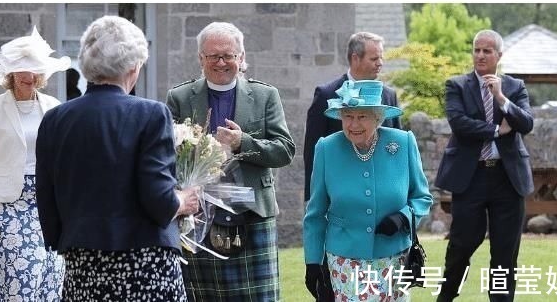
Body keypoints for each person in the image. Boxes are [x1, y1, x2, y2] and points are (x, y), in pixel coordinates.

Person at [35, 15, 200, 301]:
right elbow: (159, 199)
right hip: (144, 263)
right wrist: (184, 200)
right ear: (134, 67)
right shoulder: (151, 114)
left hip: (83, 262)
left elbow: (46, 199)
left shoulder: (54, 119)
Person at [166, 21, 295, 301]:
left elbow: (285, 150)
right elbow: (165, 156)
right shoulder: (179, 97)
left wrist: (241, 143)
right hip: (198, 216)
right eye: (213, 56)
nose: (221, 62)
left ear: (241, 57)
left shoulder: (265, 95)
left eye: (228, 55)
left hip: (252, 215)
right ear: (201, 58)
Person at [303, 79, 433, 301]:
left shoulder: (403, 143)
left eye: (361, 116)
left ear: (378, 118)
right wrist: (313, 263)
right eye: (348, 116)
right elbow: (315, 214)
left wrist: (403, 218)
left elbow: (422, 197)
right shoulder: (327, 148)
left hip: (394, 258)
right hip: (344, 259)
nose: (353, 125)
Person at [0, 26, 70, 301]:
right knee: (21, 271)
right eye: (22, 69)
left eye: (34, 70)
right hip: (7, 205)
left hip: (45, 200)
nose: (29, 76)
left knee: (48, 271)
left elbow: (60, 156)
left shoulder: (53, 106)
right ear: (11, 73)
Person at [434, 30, 534, 302]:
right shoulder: (457, 85)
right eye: (476, 50)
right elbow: (459, 123)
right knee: (461, 245)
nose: (480, 55)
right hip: (471, 177)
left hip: (508, 179)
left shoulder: (515, 87)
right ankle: (445, 297)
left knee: (505, 252)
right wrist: (496, 130)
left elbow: (526, 123)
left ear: (499, 56)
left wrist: (501, 98)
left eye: (487, 51)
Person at [303, 31, 402, 301]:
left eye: (381, 58)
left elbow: (400, 158)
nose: (380, 63)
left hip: (386, 233)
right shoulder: (326, 94)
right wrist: (313, 213)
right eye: (375, 58)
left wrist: (403, 215)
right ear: (355, 58)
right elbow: (312, 159)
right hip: (341, 227)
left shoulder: (388, 95)